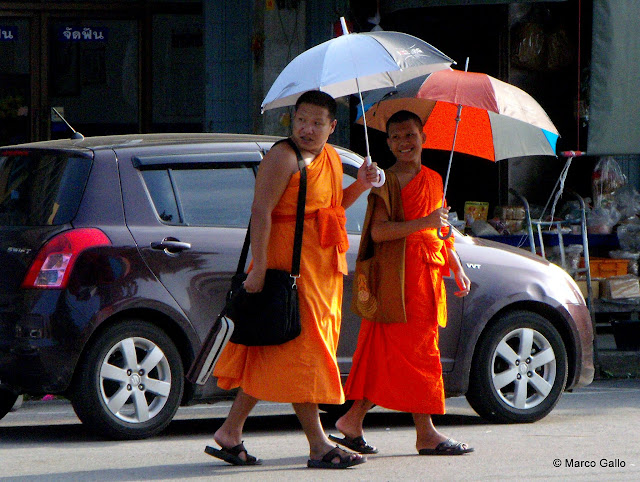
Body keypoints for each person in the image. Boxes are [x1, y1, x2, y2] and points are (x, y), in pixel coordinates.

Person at [209, 90, 380, 469]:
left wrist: (363, 184)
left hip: (323, 269)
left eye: (317, 123)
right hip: (288, 271)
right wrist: (260, 266)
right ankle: (319, 444)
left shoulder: (331, 157)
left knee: (277, 352)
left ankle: (230, 432)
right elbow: (261, 211)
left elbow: (331, 210)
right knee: (306, 353)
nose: (307, 128)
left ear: (331, 127)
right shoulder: (282, 156)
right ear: (292, 120)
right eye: (301, 119)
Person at [330, 110, 473, 456]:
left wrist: (455, 262)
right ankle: (426, 434)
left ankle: (351, 421)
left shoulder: (435, 179)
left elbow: (440, 230)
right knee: (419, 353)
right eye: (395, 137)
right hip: (398, 279)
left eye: (409, 135)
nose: (403, 143)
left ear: (423, 137)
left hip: (426, 275)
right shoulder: (387, 181)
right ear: (388, 143)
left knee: (390, 354)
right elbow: (379, 232)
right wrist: (423, 221)